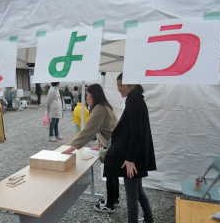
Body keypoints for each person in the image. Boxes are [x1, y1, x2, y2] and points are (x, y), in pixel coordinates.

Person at [98, 73, 156, 223]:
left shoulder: (134, 102)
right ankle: (149, 220)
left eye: (121, 85)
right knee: (137, 191)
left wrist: (130, 159)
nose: (119, 89)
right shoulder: (136, 99)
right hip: (137, 157)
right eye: (117, 85)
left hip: (133, 159)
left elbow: (137, 133)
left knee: (132, 195)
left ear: (132, 85)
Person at [62, 84, 119, 207]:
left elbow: (89, 129)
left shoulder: (100, 108)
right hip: (116, 142)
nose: (87, 98)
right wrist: (98, 143)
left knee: (110, 173)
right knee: (113, 174)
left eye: (88, 95)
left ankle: (110, 205)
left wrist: (73, 146)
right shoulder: (105, 105)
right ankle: (115, 199)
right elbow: (103, 128)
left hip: (113, 144)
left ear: (94, 96)